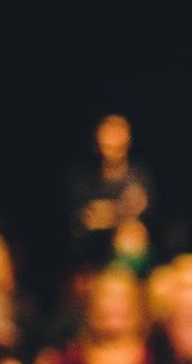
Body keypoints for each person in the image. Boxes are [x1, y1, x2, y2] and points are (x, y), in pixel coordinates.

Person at [36, 266, 148, 364]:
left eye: (120, 298)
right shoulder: (68, 363)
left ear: (137, 307)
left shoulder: (154, 361)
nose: (110, 306)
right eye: (104, 297)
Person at [66, 114, 155, 273]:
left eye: (117, 144)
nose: (111, 149)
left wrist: (108, 213)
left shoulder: (139, 176)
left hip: (127, 256)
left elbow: (141, 218)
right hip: (90, 251)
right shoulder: (83, 178)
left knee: (132, 236)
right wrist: (118, 211)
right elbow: (83, 221)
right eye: (107, 144)